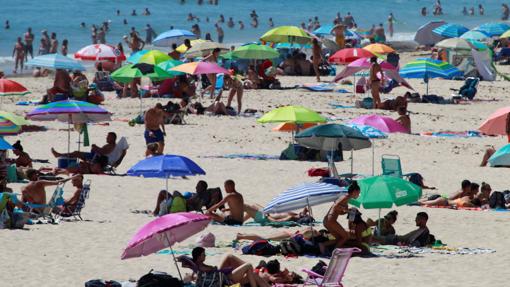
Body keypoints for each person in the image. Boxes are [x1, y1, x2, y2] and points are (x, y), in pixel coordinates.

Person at [188, 247, 268, 287]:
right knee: (249, 266)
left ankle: (256, 271)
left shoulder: (198, 266)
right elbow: (211, 269)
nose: (205, 256)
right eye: (203, 254)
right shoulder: (200, 267)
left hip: (222, 277)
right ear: (198, 257)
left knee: (229, 257)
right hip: (225, 280)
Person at [51, 132, 118, 174]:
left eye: (108, 137)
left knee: (76, 153)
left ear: (112, 138)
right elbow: (102, 152)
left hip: (95, 159)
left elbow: (103, 152)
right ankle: (60, 155)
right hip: (95, 157)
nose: (106, 138)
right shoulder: (111, 145)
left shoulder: (111, 146)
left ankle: (59, 155)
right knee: (77, 153)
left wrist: (95, 147)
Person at [322, 181, 361, 251]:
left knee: (339, 238)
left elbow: (339, 211)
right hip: (331, 220)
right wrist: (347, 211)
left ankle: (322, 245)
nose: (358, 195)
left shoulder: (345, 198)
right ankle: (334, 252)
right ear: (354, 191)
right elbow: (336, 206)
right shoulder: (346, 197)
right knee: (345, 236)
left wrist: (347, 211)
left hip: (327, 220)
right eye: (358, 193)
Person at [242, 203, 310, 224]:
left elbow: (275, 222)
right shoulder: (296, 215)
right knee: (254, 205)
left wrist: (267, 216)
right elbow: (302, 213)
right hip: (268, 213)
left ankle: (237, 219)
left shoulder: (291, 217)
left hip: (265, 218)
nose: (302, 213)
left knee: (246, 206)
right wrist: (305, 210)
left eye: (304, 214)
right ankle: (241, 220)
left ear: (301, 217)